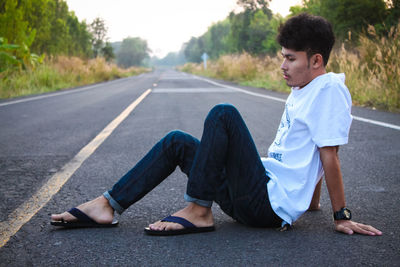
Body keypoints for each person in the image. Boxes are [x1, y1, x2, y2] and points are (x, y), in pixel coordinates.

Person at [51, 13, 382, 236]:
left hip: (265, 205)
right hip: (256, 193)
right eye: (282, 56)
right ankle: (107, 205)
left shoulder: (329, 89)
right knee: (176, 141)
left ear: (316, 60)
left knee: (224, 113)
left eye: (290, 58)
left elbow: (329, 154)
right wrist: (311, 203)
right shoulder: (303, 88)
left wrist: (342, 216)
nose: (282, 65)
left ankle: (198, 210)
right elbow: (305, 150)